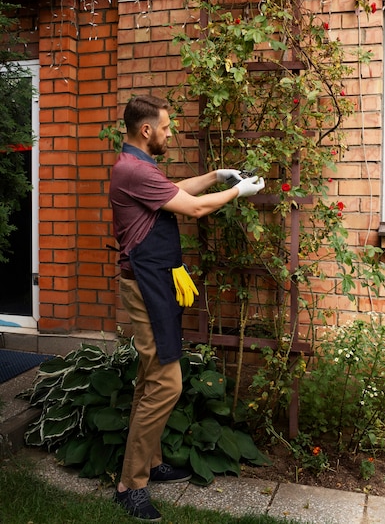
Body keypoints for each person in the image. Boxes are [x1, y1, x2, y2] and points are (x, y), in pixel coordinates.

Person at [109, 94, 265, 521]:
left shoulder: (139, 168)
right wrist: (238, 191)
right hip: (146, 286)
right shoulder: (131, 170)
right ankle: (130, 485)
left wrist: (217, 174)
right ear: (147, 130)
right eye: (167, 126)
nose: (171, 132)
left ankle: (150, 460)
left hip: (154, 282)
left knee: (150, 377)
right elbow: (193, 208)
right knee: (166, 383)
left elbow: (176, 193)